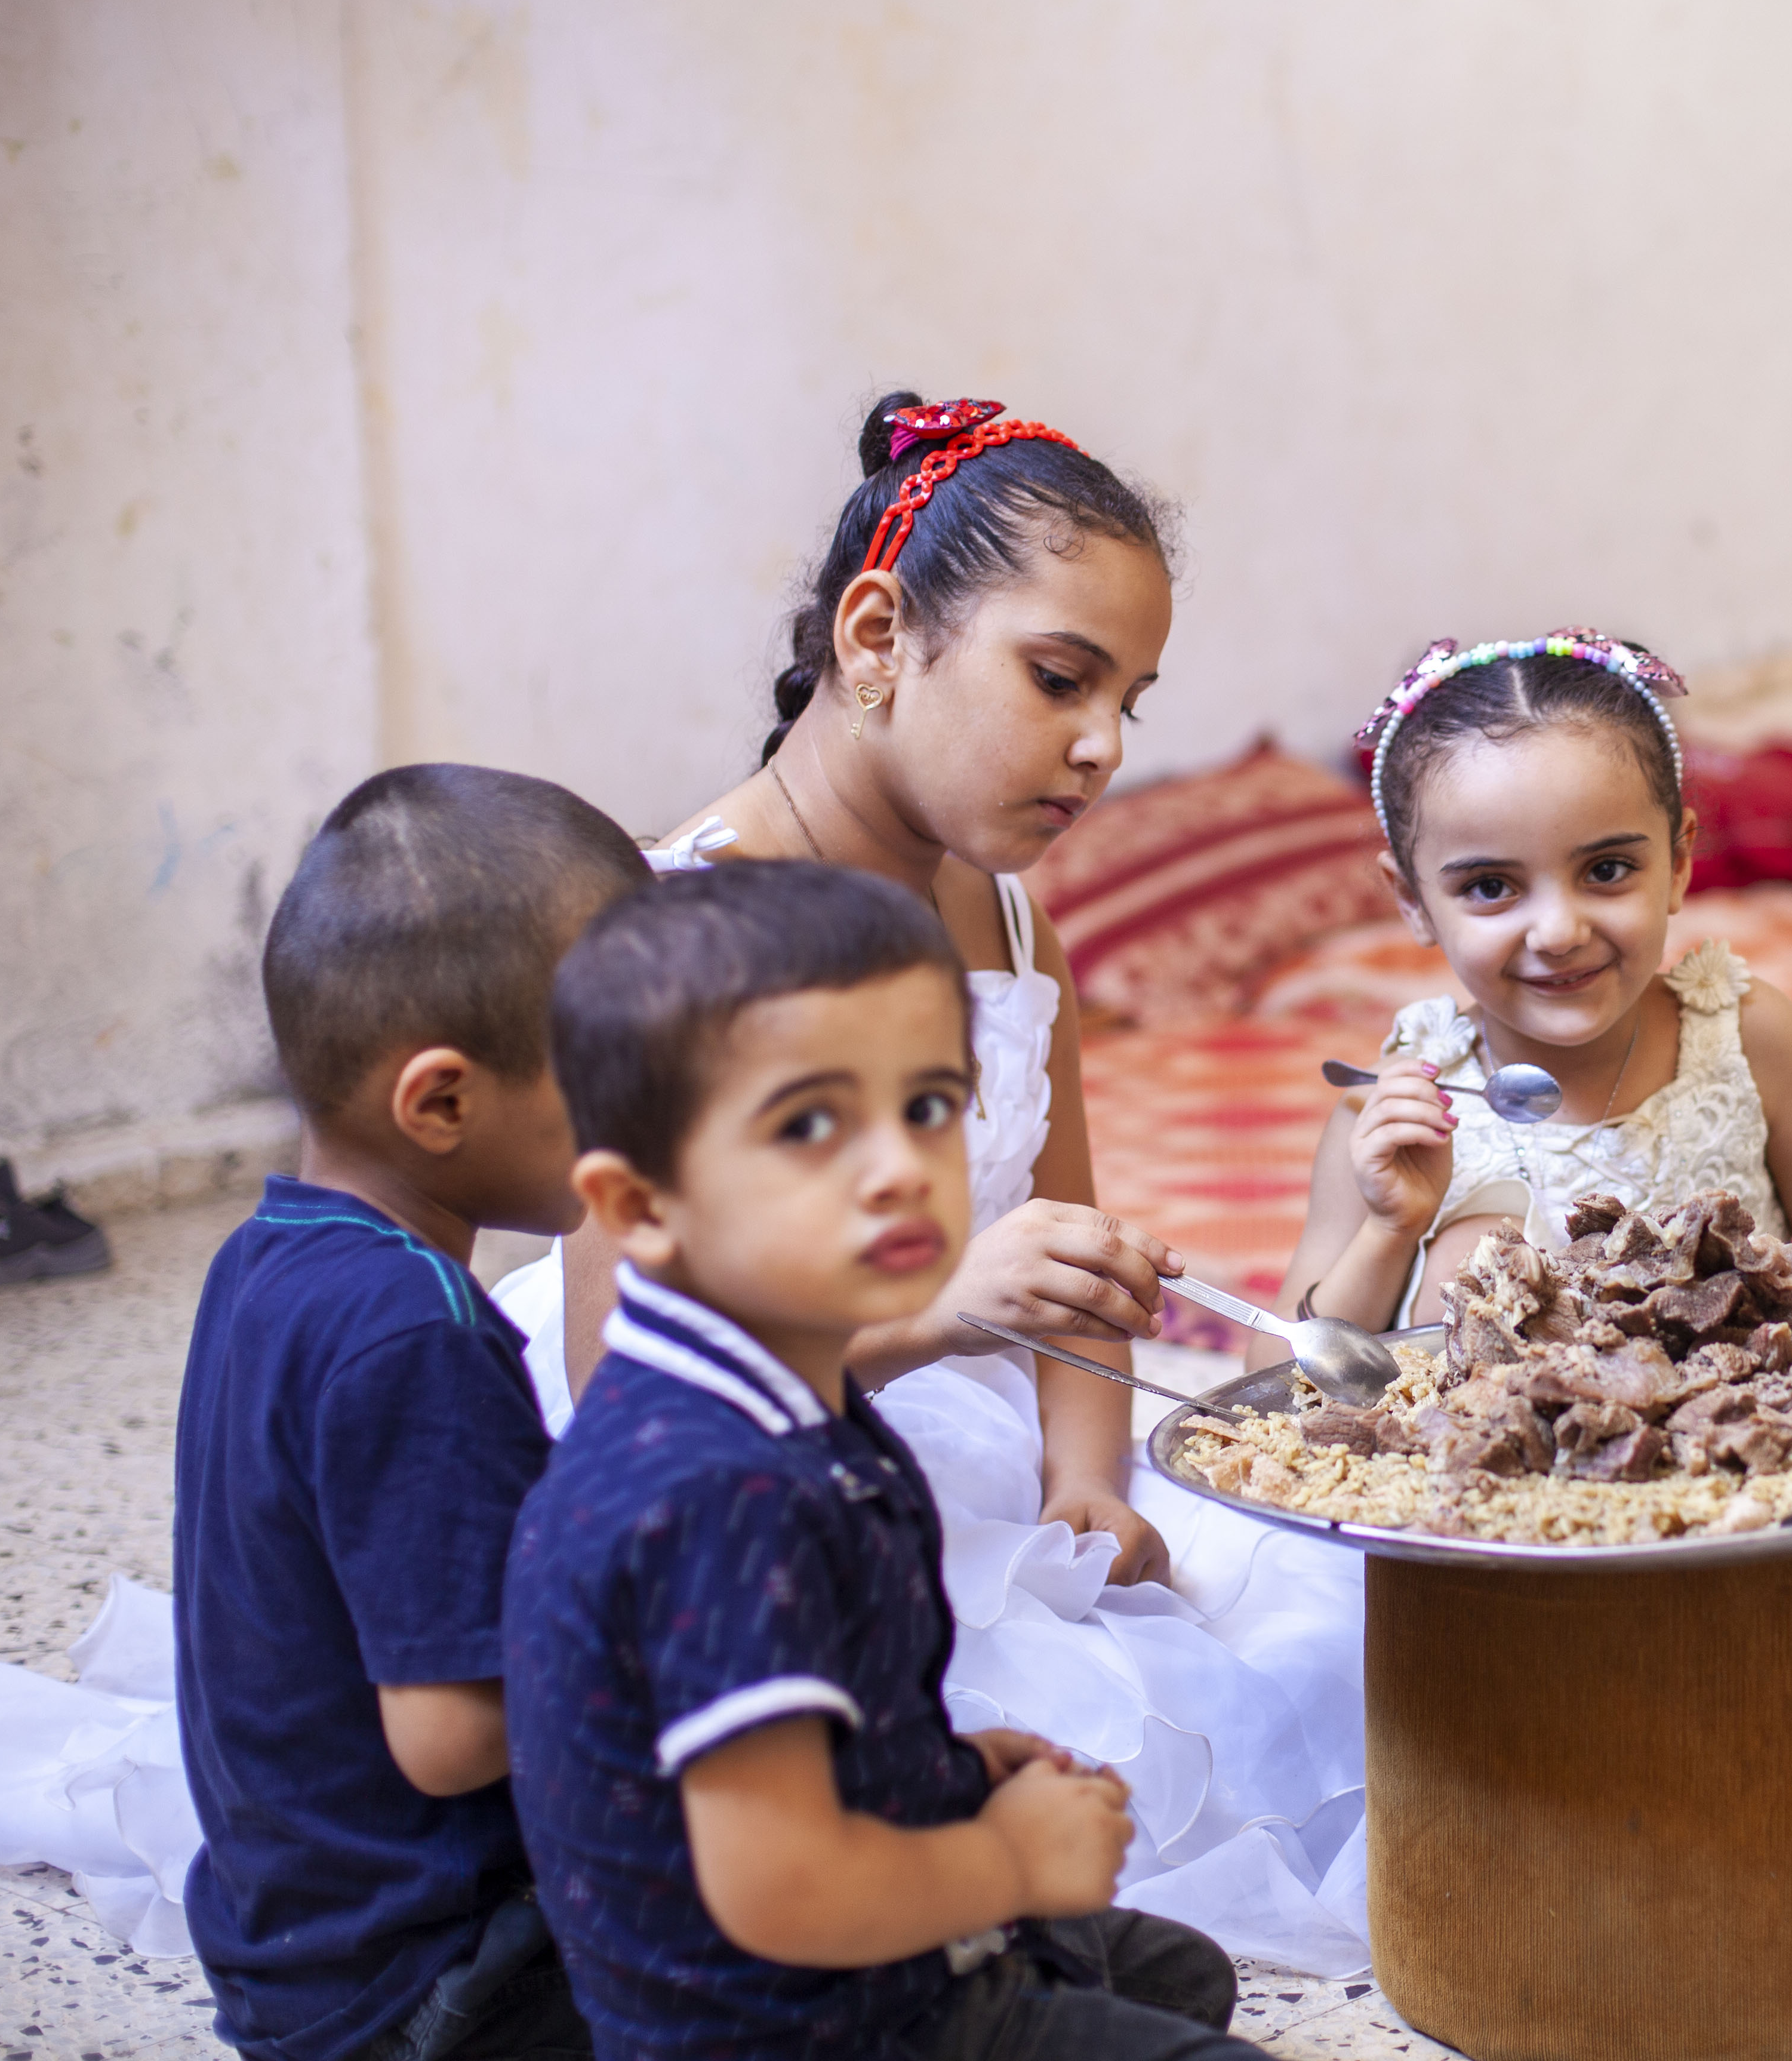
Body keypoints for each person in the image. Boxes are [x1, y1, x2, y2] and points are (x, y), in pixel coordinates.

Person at [491, 395, 1368, 1971]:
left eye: (1132, 702)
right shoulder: (688, 930)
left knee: (1326, 1628)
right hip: (742, 1470)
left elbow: (1080, 1260)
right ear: (880, 634)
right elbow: (618, 1368)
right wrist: (935, 1310)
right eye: (1059, 679)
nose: (1102, 744)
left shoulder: (1014, 922)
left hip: (980, 1424)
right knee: (1001, 1730)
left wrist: (1088, 1472)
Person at [506, 860, 1257, 2061]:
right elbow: (779, 1892)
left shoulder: (791, 1393)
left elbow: (820, 1724)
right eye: (811, 1124)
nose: (903, 1167)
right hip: (795, 2021)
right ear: (642, 1208)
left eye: (931, 1106)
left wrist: (945, 1771)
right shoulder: (717, 1494)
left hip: (860, 1954)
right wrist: (1004, 1858)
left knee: (1180, 1978)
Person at [175, 765, 647, 2060]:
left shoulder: (267, 1262)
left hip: (296, 1952)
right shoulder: (416, 1339)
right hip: (438, 1985)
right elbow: (455, 1736)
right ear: (440, 1100)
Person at [1274, 630, 1792, 1342]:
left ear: (1680, 860)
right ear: (1411, 900)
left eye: (1606, 871)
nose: (1558, 931)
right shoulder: (1390, 1111)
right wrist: (1388, 1230)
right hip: (1468, 1446)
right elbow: (1275, 1372)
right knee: (1469, 1254)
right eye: (1491, 886)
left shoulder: (1748, 1038)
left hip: (1749, 1434)